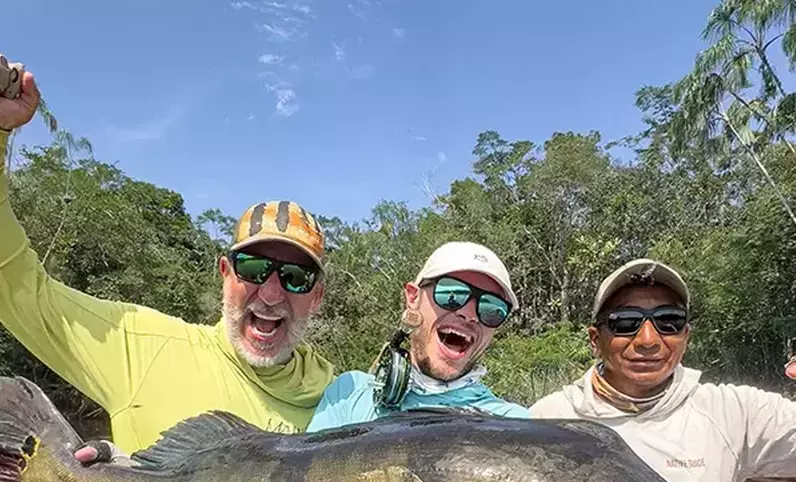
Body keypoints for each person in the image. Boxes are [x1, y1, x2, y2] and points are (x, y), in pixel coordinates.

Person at [0, 67, 333, 460]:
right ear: (225, 274)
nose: (272, 292)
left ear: (316, 296)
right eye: (254, 268)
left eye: (295, 277)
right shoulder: (140, 348)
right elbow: (16, 285)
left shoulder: (345, 402)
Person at [529, 258, 796, 482]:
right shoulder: (547, 419)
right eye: (625, 322)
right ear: (595, 340)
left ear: (686, 336)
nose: (648, 340)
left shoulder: (732, 413)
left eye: (669, 321)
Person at [306, 240, 530, 431]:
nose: (469, 314)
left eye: (492, 309)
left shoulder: (517, 426)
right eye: (451, 294)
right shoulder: (348, 393)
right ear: (413, 297)